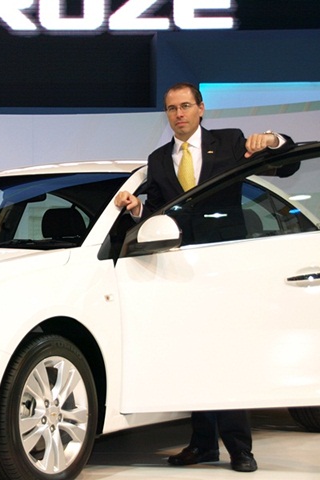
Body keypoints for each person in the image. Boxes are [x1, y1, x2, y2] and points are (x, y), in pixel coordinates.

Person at [114, 82, 294, 473]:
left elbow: (287, 164)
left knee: (227, 357)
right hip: (181, 271)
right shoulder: (159, 159)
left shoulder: (229, 142)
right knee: (193, 355)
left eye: (185, 106)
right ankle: (203, 444)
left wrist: (273, 140)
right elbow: (160, 212)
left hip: (226, 267)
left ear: (201, 108)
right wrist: (136, 209)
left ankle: (240, 448)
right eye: (171, 109)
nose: (178, 114)